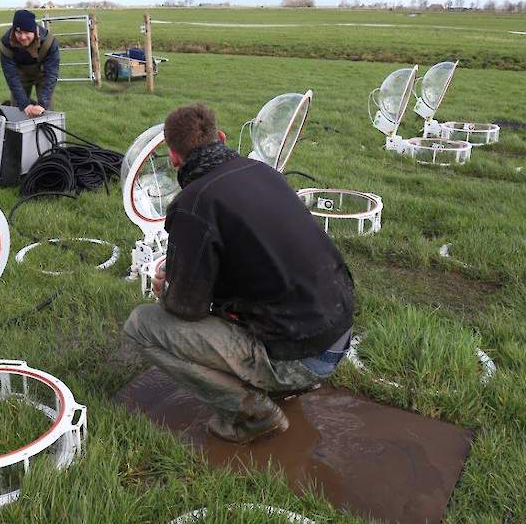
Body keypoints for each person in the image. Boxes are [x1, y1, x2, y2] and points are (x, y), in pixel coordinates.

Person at [123, 103, 355, 445]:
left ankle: (253, 414)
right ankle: (279, 380)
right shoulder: (263, 172)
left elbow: (187, 309)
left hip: (303, 355)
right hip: (337, 331)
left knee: (141, 326)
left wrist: (167, 288)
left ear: (173, 158)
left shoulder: (194, 203)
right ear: (220, 137)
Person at [0, 9, 60, 118]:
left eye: (27, 32)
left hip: (43, 74)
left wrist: (42, 104)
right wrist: (24, 105)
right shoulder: (6, 43)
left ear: (34, 31)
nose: (22, 37)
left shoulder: (49, 42)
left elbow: (51, 74)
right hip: (20, 74)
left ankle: (48, 132)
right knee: (17, 110)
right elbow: (11, 76)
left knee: (47, 110)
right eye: (18, 32)